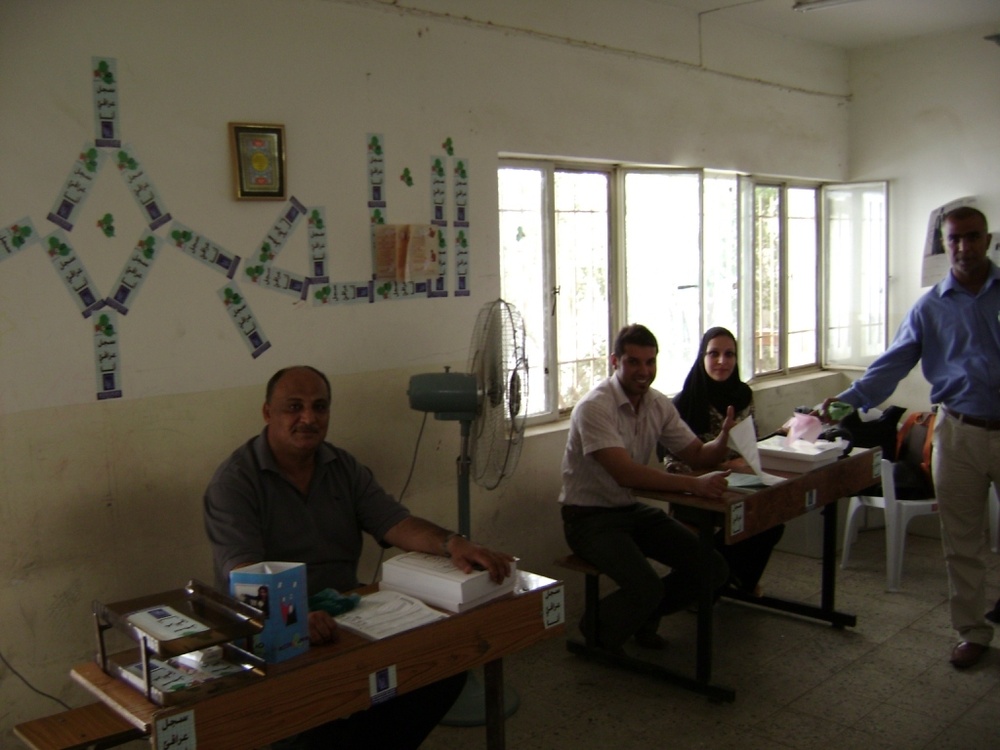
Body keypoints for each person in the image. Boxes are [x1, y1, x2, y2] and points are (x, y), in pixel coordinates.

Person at [204, 365, 514, 748]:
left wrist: (453, 543)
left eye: (320, 407)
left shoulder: (341, 466)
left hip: (346, 613)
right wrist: (294, 617)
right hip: (270, 631)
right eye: (294, 407)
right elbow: (245, 574)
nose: (308, 418)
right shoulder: (235, 482)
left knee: (444, 668)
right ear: (268, 413)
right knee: (314, 710)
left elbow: (394, 522)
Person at [821, 206, 999, 670]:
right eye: (954, 239)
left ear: (988, 238)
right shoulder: (930, 306)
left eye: (972, 236)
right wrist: (841, 404)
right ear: (944, 243)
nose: (963, 246)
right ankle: (973, 632)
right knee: (961, 541)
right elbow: (890, 366)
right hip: (958, 434)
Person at [559, 324, 733, 653]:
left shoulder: (657, 404)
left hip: (628, 511)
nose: (644, 371)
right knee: (646, 587)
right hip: (588, 519)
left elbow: (696, 453)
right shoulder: (594, 407)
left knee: (713, 568)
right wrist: (694, 486)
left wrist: (724, 438)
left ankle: (638, 618)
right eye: (634, 362)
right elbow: (626, 474)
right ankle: (597, 629)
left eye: (650, 362)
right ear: (615, 361)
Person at [665, 326, 784, 597]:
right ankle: (707, 583)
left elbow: (748, 444)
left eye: (729, 354)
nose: (722, 361)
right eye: (714, 354)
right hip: (695, 490)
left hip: (740, 485)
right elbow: (672, 461)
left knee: (771, 520)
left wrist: (748, 461)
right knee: (708, 531)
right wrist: (721, 467)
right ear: (702, 357)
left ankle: (730, 580)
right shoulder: (685, 401)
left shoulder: (743, 395)